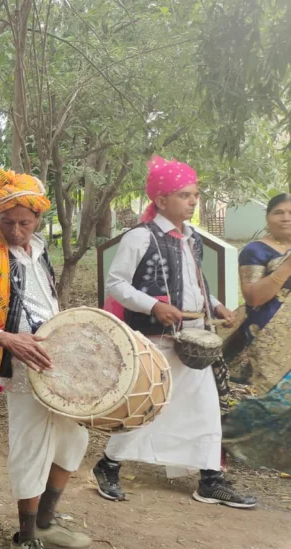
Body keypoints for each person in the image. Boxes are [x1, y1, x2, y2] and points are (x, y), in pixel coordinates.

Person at [95, 156, 256, 508]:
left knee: (205, 407)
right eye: (185, 195)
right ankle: (108, 464)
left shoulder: (192, 238)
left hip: (193, 338)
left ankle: (210, 478)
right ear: (161, 200)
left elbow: (194, 284)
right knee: (148, 404)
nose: (193, 201)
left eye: (195, 194)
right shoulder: (140, 236)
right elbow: (117, 284)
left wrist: (214, 305)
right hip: (155, 338)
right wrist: (153, 306)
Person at [0, 169, 89, 549]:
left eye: (24, 222)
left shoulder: (40, 249)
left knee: (74, 439)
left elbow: (46, 299)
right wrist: (6, 339)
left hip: (58, 362)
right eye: (7, 222)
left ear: (37, 219)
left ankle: (47, 524)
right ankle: (26, 538)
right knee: (32, 448)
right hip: (21, 370)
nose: (16, 230)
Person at [221, 194, 291, 470]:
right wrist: (285, 267)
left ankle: (279, 454)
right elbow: (253, 298)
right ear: (268, 218)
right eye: (279, 212)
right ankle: (224, 436)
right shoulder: (255, 251)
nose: (286, 217)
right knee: (272, 399)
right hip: (268, 333)